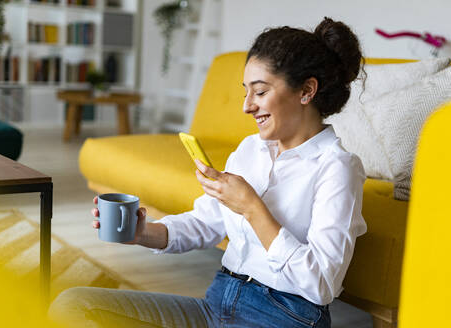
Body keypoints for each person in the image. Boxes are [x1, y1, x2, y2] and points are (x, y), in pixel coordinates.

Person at [48, 17, 367, 328]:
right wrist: (143, 233)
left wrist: (253, 208)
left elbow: (321, 283)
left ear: (306, 91)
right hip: (217, 305)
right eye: (246, 92)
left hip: (283, 316)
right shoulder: (249, 150)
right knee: (75, 305)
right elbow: (205, 221)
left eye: (259, 91)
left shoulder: (337, 167)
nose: (247, 106)